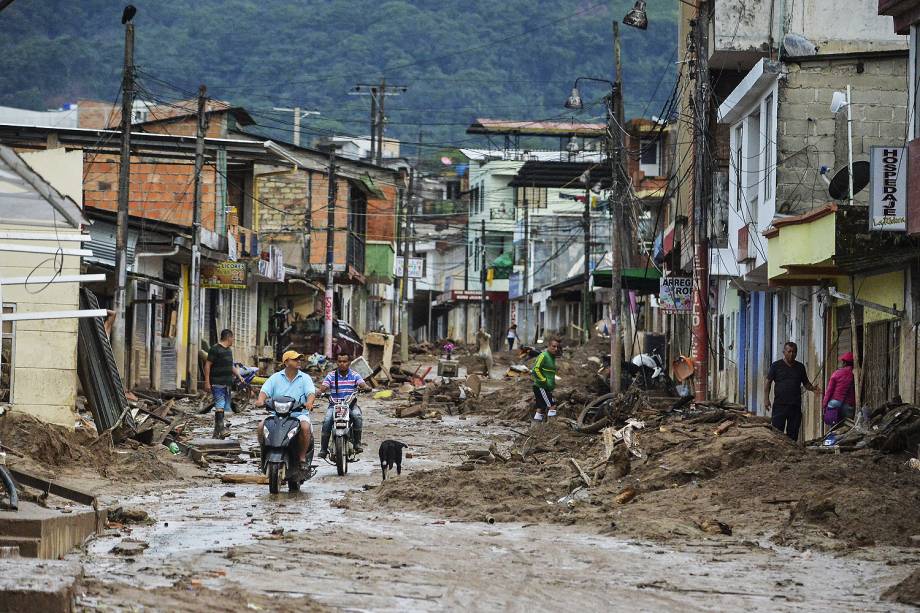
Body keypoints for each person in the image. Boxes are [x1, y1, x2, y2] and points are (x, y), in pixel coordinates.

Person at [256, 351, 316, 471]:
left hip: (298, 415)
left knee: (305, 427)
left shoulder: (305, 378)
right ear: (286, 362)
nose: (298, 361)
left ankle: (302, 457)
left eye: (299, 359)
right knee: (261, 426)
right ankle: (264, 454)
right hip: (277, 414)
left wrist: (309, 402)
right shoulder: (275, 378)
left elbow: (310, 393)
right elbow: (264, 391)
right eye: (295, 359)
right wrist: (260, 400)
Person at [318, 352, 371, 458]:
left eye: (345, 361)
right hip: (334, 405)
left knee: (357, 416)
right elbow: (323, 387)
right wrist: (319, 392)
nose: (342, 364)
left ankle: (357, 443)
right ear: (336, 363)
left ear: (349, 363)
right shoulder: (331, 375)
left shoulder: (355, 375)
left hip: (350, 405)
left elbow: (362, 384)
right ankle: (323, 449)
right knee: (327, 420)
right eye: (340, 361)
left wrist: (366, 387)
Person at [764, 341, 821, 440]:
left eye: (794, 352)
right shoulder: (776, 366)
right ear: (784, 352)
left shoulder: (800, 367)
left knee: (793, 433)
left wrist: (813, 389)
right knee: (777, 432)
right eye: (789, 351)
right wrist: (766, 399)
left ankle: (791, 454)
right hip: (780, 405)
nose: (791, 354)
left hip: (795, 406)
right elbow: (768, 382)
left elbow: (805, 382)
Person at [204, 329, 245, 439]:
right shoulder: (215, 349)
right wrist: (207, 382)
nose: (233, 340)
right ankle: (221, 429)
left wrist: (239, 376)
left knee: (222, 405)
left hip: (227, 383)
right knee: (220, 404)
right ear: (229, 337)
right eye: (232, 338)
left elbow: (230, 366)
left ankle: (216, 434)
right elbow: (207, 365)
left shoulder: (229, 351)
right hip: (217, 382)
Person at [531, 337, 562, 422]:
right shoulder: (543, 355)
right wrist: (544, 380)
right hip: (541, 386)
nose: (555, 349)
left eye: (557, 347)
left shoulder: (552, 357)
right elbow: (535, 369)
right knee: (552, 405)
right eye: (553, 346)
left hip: (545, 387)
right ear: (548, 346)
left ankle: (535, 428)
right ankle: (551, 427)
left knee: (540, 407)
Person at [823, 351, 856, 424]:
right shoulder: (855, 374)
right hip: (848, 405)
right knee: (847, 427)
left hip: (835, 403)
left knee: (834, 427)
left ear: (844, 363)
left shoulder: (837, 373)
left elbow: (829, 391)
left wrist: (824, 405)